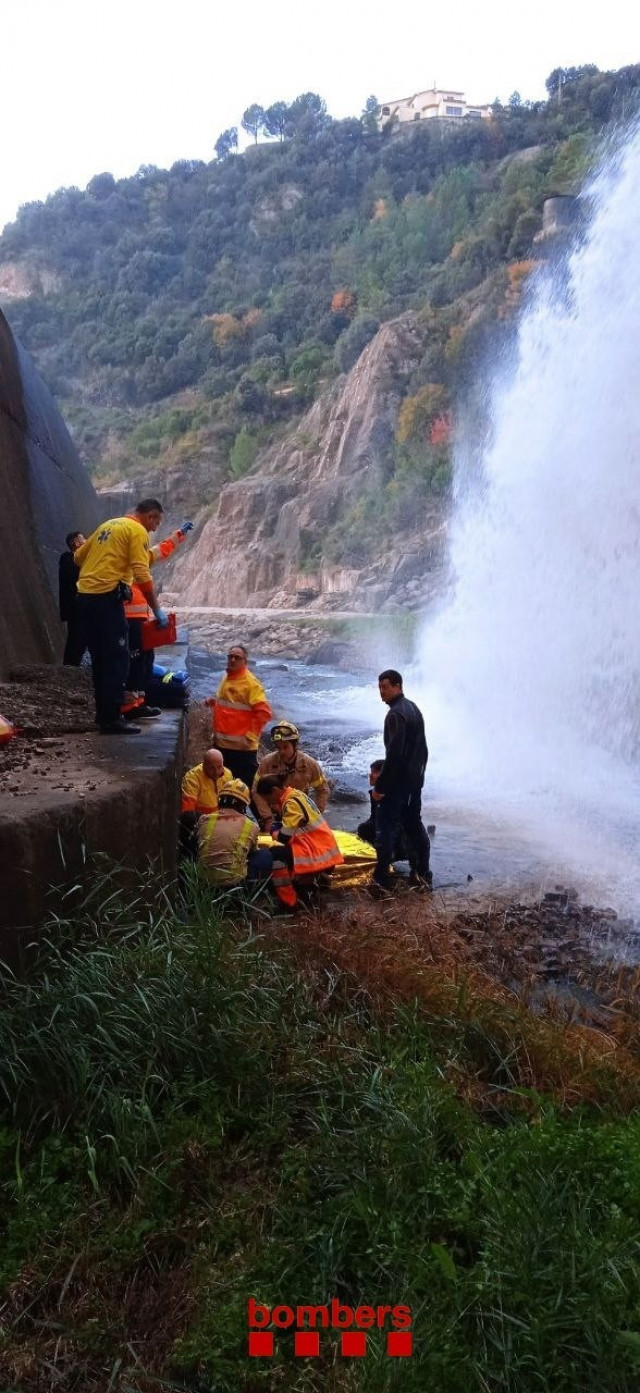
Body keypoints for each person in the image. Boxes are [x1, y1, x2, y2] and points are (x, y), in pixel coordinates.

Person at [74, 499, 169, 734]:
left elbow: (78, 557)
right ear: (150, 515)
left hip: (83, 598)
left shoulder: (107, 525)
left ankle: (103, 715)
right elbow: (141, 571)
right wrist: (156, 608)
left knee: (99, 659)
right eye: (156, 521)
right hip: (107, 599)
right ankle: (111, 720)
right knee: (118, 659)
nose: (155, 528)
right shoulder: (137, 530)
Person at [124, 520, 194, 720]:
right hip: (128, 620)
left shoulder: (142, 558)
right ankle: (128, 707)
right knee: (134, 663)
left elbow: (161, 549)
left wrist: (179, 534)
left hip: (140, 620)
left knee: (145, 662)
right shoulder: (122, 564)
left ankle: (139, 702)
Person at [372, 669, 432, 892]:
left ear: (397, 686)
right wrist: (418, 779)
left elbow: (394, 756)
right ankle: (422, 872)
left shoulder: (396, 714)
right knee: (413, 824)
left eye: (385, 687)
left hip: (399, 784)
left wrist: (380, 787)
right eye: (379, 688)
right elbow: (423, 750)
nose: (381, 692)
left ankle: (382, 878)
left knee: (385, 828)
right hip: (413, 781)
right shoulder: (412, 707)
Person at [255, 774, 343, 912]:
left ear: (275, 790)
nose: (269, 803)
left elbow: (284, 837)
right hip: (323, 849)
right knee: (283, 850)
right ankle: (307, 887)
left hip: (318, 852)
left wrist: (274, 833)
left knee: (276, 854)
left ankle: (289, 902)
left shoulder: (291, 803)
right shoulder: (296, 794)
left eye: (268, 799)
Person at [206, 645, 272, 786]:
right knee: (224, 788)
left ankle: (260, 809)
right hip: (222, 747)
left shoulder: (251, 683)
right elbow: (231, 704)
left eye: (237, 657)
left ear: (245, 662)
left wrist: (250, 737)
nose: (233, 660)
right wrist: (214, 703)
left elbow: (264, 712)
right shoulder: (227, 677)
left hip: (242, 750)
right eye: (230, 656)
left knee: (248, 791)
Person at [252, 721, 330, 829]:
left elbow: (322, 790)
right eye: (278, 747)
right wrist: (267, 817)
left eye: (285, 747)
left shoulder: (309, 764)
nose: (281, 751)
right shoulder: (267, 762)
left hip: (299, 816)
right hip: (274, 816)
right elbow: (256, 790)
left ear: (295, 745)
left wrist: (314, 815)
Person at [197, 779, 272, 888]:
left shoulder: (204, 819)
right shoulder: (251, 826)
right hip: (234, 884)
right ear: (243, 805)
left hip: (206, 881)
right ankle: (252, 890)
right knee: (265, 854)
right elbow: (253, 851)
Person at [357, 758, 411, 862]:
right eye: (371, 771)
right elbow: (374, 818)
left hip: (400, 837)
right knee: (364, 828)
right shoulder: (375, 793)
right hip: (386, 830)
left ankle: (392, 855)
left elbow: (398, 824)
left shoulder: (394, 795)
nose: (370, 775)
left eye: (375, 772)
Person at [58, 531, 87, 666]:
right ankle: (70, 667)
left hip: (78, 607)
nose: (86, 541)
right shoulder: (69, 560)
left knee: (79, 639)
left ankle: (72, 666)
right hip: (75, 608)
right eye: (83, 539)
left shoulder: (73, 561)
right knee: (76, 638)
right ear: (76, 543)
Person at [181, 748, 233, 816]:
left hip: (223, 821)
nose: (216, 772)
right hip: (202, 823)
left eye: (219, 767)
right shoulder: (192, 779)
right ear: (204, 765)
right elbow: (187, 813)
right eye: (212, 768)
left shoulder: (228, 774)